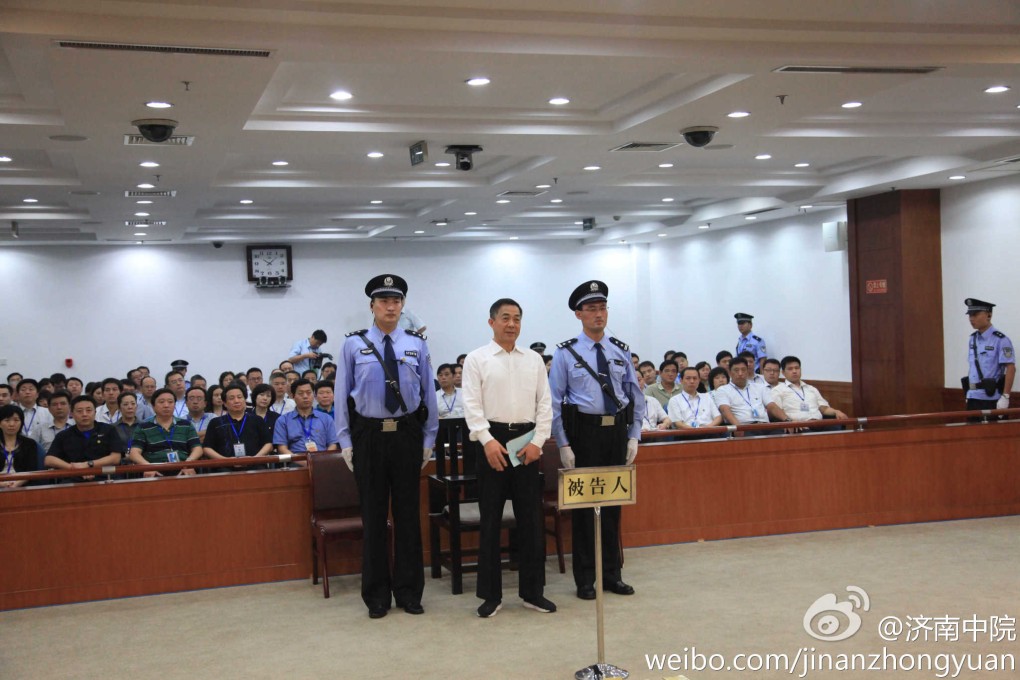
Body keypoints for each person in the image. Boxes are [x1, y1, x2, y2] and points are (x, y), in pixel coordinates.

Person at [335, 274, 438, 619]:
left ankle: (409, 591)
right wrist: (345, 440)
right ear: (372, 306)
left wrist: (429, 437)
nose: (390, 306)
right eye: (383, 301)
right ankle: (377, 595)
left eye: (396, 301)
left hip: (407, 434)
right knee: (374, 518)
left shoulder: (417, 344)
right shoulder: (353, 345)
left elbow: (429, 395)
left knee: (409, 517)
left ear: (403, 306)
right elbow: (341, 397)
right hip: (370, 436)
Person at [549, 279, 643, 600]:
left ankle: (612, 574)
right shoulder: (565, 354)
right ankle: (586, 578)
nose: (598, 314)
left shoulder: (620, 350)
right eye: (591, 309)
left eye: (602, 308)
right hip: (583, 434)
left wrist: (634, 436)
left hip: (615, 433)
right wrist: (563, 443)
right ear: (579, 314)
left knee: (613, 505)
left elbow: (635, 396)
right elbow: (554, 402)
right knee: (585, 508)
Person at [462, 298, 556, 618]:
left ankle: (533, 592)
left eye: (517, 318)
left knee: (531, 519)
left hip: (527, 443)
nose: (512, 324)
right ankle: (491, 594)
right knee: (490, 520)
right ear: (492, 322)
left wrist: (539, 442)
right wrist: (487, 441)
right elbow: (472, 406)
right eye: (505, 318)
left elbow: (545, 404)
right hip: (492, 443)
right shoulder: (477, 359)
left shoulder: (533, 360)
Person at [45, 396, 124, 481]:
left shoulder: (109, 430)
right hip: (73, 478)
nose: (84, 414)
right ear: (72, 414)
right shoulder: (64, 435)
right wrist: (73, 468)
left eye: (89, 410)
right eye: (79, 411)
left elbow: (116, 458)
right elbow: (49, 459)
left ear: (95, 412)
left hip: (105, 477)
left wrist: (89, 464)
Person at [129, 388, 203, 477]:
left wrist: (188, 463)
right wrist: (148, 467)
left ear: (175, 405)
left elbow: (197, 449)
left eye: (170, 402)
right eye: (161, 402)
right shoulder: (143, 427)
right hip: (154, 472)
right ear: (153, 406)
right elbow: (134, 453)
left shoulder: (186, 425)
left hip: (183, 470)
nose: (166, 405)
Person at [964, 298, 1015, 410]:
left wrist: (1005, 396)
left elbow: (1010, 368)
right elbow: (973, 367)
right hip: (973, 397)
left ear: (989, 315)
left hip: (991, 398)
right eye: (970, 315)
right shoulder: (972, 339)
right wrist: (969, 392)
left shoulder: (1000, 340)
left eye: (975, 314)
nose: (971, 319)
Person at [204, 383, 273, 464]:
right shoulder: (215, 423)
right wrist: (225, 461)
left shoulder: (257, 420)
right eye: (231, 398)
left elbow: (268, 444)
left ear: (245, 400)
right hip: (225, 467)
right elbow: (206, 448)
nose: (236, 401)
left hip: (255, 464)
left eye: (239, 397)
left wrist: (254, 459)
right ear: (225, 403)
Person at [273, 378, 337, 460]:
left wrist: (323, 461)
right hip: (296, 462)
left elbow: (333, 444)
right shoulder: (283, 420)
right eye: (300, 393)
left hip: (323, 461)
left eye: (309, 393)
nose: (305, 396)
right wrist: (302, 461)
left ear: (313, 395)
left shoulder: (326, 418)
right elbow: (282, 448)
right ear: (292, 396)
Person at [715, 360, 789, 429]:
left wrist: (787, 421)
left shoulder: (760, 387)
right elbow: (725, 410)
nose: (740, 373)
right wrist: (738, 427)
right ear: (730, 373)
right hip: (744, 427)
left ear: (747, 371)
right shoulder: (723, 390)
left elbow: (772, 406)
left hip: (765, 426)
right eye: (736, 370)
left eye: (743, 370)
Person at [772, 356, 849, 422]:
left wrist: (836, 411)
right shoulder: (778, 390)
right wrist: (789, 422)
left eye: (797, 368)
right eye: (790, 369)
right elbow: (777, 412)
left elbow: (823, 408)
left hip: (818, 424)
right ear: (783, 372)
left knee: (836, 427)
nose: (794, 371)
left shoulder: (811, 389)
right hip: (798, 427)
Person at [0, 404, 41, 488]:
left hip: (22, 485)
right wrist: (2, 484)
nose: (11, 424)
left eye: (16, 420)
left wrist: (17, 483)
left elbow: (32, 470)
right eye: (7, 420)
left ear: (21, 423)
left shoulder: (30, 444)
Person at [114, 392, 142, 457]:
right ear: (119, 407)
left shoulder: (145, 426)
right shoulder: (112, 428)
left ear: (136, 406)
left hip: (141, 464)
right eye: (125, 404)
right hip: (120, 464)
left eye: (133, 404)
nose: (130, 407)